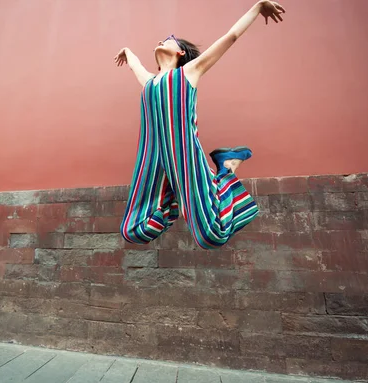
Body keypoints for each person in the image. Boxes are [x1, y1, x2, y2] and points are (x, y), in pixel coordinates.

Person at [115, 1, 286, 250]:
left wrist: (258, 7)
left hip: (185, 156)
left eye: (170, 39)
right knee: (131, 231)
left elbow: (231, 36)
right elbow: (135, 66)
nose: (164, 40)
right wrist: (128, 51)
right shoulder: (150, 83)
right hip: (153, 159)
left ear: (181, 53)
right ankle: (174, 201)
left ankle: (227, 165)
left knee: (211, 236)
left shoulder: (189, 73)